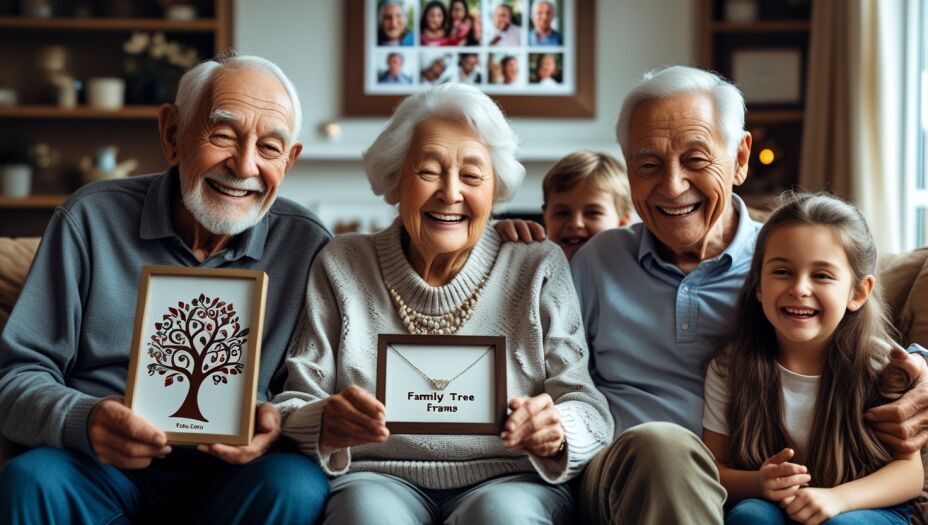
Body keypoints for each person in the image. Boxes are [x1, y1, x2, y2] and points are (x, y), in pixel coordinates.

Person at [497, 65, 928, 524]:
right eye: (648, 165)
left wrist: (921, 368)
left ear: (740, 158)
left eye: (696, 160)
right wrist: (496, 250)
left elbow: (862, 339)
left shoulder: (785, 264)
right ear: (628, 171)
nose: (672, 186)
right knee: (662, 445)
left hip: (749, 487)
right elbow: (527, 354)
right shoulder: (596, 260)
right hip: (624, 478)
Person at [0, 54, 331, 524]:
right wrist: (86, 419)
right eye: (223, 136)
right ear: (172, 134)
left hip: (233, 478)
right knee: (31, 480)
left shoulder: (308, 244)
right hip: (99, 468)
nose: (244, 165)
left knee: (295, 485)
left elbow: (313, 390)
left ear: (289, 160)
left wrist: (276, 426)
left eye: (269, 147)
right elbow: (14, 377)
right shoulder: (89, 219)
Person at [272, 83, 613, 524]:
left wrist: (557, 429)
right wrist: (322, 422)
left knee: (502, 518)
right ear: (394, 180)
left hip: (509, 479)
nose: (450, 193)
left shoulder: (536, 264)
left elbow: (587, 406)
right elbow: (294, 401)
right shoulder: (343, 264)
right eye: (429, 171)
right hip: (376, 476)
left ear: (495, 190)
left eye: (471, 176)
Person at [704, 192, 923, 524]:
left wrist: (837, 499)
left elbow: (909, 474)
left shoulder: (883, 366)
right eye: (782, 272)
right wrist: (759, 483)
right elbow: (713, 469)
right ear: (759, 285)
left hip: (865, 504)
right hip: (772, 503)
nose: (800, 288)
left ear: (858, 292)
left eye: (821, 275)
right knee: (751, 516)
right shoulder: (729, 367)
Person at [540, 150, 632, 261]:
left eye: (592, 213)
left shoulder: (630, 267)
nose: (576, 224)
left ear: (622, 222)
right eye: (562, 213)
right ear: (545, 217)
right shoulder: (532, 263)